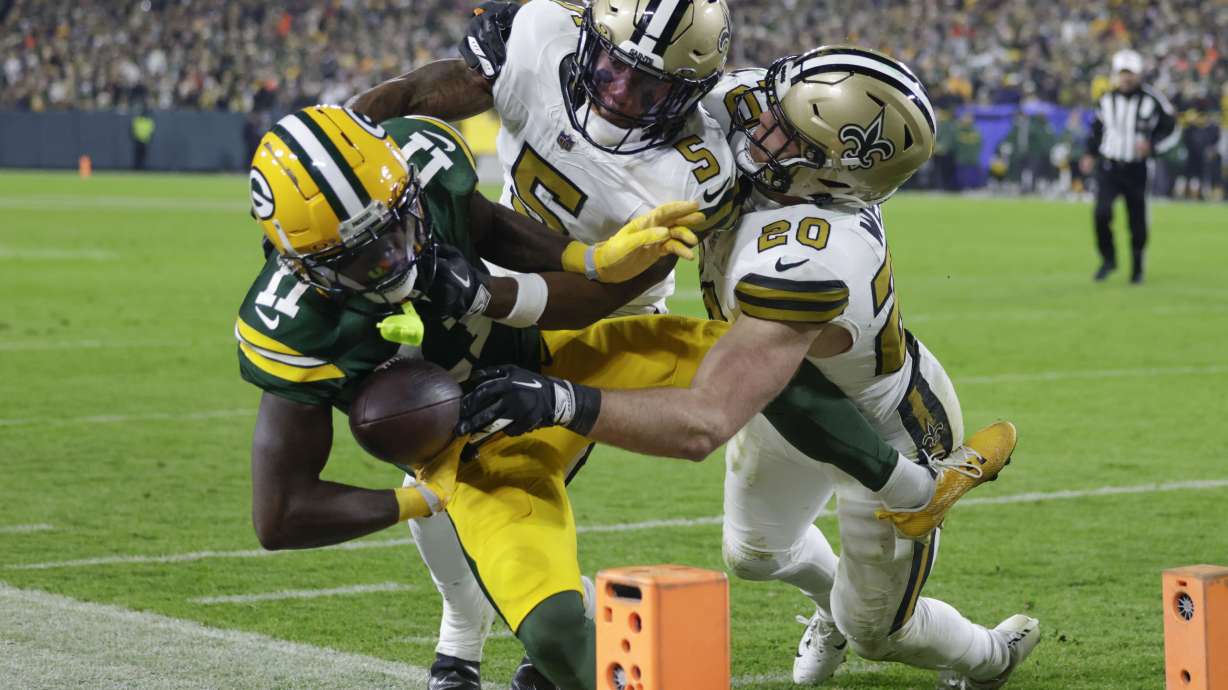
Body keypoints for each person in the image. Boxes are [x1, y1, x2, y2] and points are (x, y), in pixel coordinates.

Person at [458, 46, 1041, 688]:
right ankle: (832, 609)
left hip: (884, 427)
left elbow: (703, 421)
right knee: (757, 554)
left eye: (785, 130)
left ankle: (988, 656)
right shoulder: (771, 125)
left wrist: (560, 401)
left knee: (879, 631)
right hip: (776, 395)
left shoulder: (811, 255)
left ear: (831, 170)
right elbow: (678, 79)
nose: (758, 121)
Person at [238, 103, 716, 690]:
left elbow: (489, 223)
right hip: (461, 445)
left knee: (751, 364)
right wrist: (420, 497)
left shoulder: (423, 161)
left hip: (541, 354)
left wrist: (587, 260)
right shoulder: (290, 326)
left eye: (397, 224)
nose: (393, 257)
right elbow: (280, 515)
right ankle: (476, 633)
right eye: (360, 256)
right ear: (305, 266)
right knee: (520, 582)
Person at [1079, 49, 1179, 284]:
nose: (1127, 78)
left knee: (1137, 222)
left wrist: (1153, 146)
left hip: (1137, 169)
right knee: (1101, 214)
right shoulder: (1105, 100)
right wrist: (1089, 154)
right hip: (1110, 167)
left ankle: (1136, 268)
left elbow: (1171, 128)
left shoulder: (1152, 100)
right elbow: (1096, 130)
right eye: (1123, 73)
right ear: (1116, 74)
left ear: (1138, 74)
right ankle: (1108, 259)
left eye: (1130, 73)